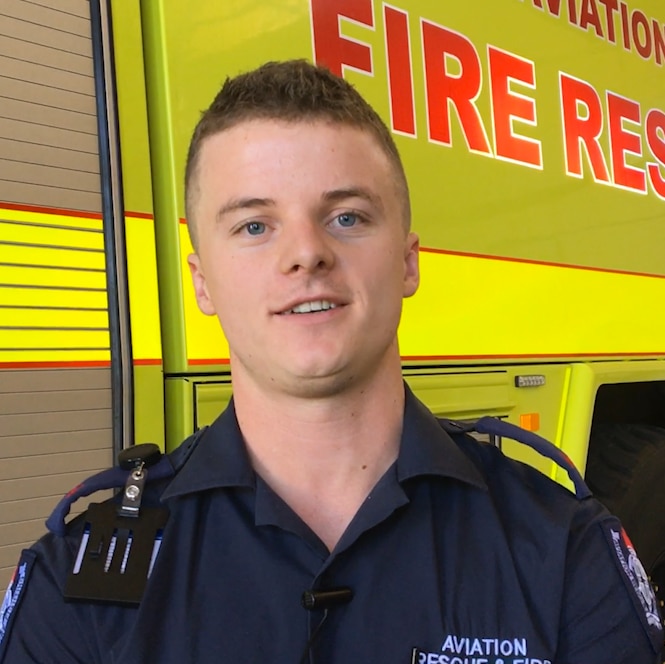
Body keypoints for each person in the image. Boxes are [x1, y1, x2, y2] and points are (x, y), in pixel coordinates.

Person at [0, 60, 662, 664]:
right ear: (201, 283)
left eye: (345, 217)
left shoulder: (560, 551)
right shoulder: (79, 583)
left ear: (406, 262)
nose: (305, 254)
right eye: (255, 226)